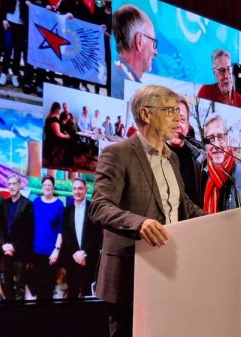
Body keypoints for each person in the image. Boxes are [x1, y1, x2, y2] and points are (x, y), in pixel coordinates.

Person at [89, 84, 206, 337]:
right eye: (170, 111)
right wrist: (139, 223)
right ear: (146, 114)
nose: (178, 119)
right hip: (129, 275)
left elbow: (180, 204)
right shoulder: (117, 154)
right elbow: (99, 206)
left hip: (168, 270)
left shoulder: (172, 158)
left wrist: (222, 221)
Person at [61, 179, 102, 298]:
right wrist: (75, 253)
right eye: (74, 188)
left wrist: (84, 253)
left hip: (88, 259)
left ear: (86, 189)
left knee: (88, 293)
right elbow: (66, 234)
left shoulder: (93, 208)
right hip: (72, 259)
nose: (77, 191)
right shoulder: (67, 210)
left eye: (80, 188)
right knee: (72, 293)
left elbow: (96, 234)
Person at [201, 114, 241, 213]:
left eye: (220, 137)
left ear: (227, 140)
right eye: (210, 139)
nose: (216, 145)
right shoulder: (202, 175)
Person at [27, 175, 64, 300]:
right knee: (37, 287)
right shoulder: (36, 202)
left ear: (53, 187)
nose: (47, 187)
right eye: (45, 185)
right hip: (36, 253)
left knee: (48, 288)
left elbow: (61, 230)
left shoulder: (59, 205)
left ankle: (48, 317)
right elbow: (30, 225)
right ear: (42, 187)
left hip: (51, 254)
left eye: (49, 185)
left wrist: (56, 250)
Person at [110, 4, 157, 99]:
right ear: (139, 41)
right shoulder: (127, 91)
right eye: (153, 42)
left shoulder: (112, 76)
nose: (156, 52)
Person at [166, 96, 205, 207]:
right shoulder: (154, 156)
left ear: (188, 126)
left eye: (182, 120)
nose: (177, 125)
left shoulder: (199, 160)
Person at [1, 173, 34, 300]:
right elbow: (1, 227)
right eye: (9, 184)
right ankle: (8, 314)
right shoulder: (5, 203)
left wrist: (14, 246)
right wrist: (5, 245)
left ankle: (18, 315)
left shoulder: (27, 204)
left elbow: (27, 230)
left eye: (14, 183)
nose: (12, 186)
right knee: (7, 284)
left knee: (20, 286)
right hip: (6, 251)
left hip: (20, 252)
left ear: (19, 185)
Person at [42, 102, 73, 168]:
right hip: (53, 141)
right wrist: (67, 136)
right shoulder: (54, 119)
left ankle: (67, 161)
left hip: (49, 140)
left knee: (70, 141)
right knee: (70, 142)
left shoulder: (48, 118)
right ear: (57, 109)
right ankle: (67, 163)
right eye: (60, 109)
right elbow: (58, 134)